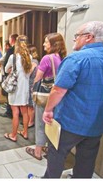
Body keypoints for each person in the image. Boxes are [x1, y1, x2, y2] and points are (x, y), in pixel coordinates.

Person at [42, 21, 103, 178]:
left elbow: (58, 90)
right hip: (99, 123)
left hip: (71, 121)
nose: (74, 39)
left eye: (77, 36)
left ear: (88, 37)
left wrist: (48, 110)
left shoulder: (76, 59)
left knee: (56, 153)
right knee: (87, 158)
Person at [26, 32, 67, 160]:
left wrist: (33, 88)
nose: (43, 44)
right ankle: (49, 149)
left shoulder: (46, 58)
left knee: (40, 123)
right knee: (51, 123)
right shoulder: (61, 58)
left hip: (43, 97)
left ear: (53, 44)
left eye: (46, 42)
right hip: (56, 97)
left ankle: (37, 151)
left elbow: (38, 78)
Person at [3, 37, 32, 142]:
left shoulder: (13, 57)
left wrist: (11, 69)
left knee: (15, 112)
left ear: (17, 44)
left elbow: (6, 69)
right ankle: (25, 132)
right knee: (24, 112)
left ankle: (13, 135)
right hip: (25, 88)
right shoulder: (30, 57)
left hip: (15, 88)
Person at [0, 33, 19, 118]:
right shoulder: (22, 51)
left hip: (11, 76)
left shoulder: (11, 50)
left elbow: (6, 64)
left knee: (9, 95)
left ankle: (9, 112)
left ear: (12, 40)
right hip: (20, 77)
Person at [26, 46, 40, 128]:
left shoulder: (34, 62)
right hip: (31, 83)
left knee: (31, 105)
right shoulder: (35, 61)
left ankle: (31, 122)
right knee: (29, 105)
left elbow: (29, 73)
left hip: (31, 83)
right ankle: (29, 121)